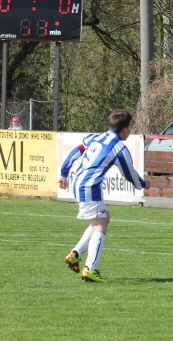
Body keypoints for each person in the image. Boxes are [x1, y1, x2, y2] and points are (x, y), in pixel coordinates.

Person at [58, 109, 148, 282]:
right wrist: (143, 184)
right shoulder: (119, 147)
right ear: (124, 129)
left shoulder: (95, 137)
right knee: (100, 226)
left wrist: (63, 173)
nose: (129, 131)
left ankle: (75, 254)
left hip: (77, 182)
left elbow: (75, 152)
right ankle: (90, 268)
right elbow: (129, 174)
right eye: (129, 128)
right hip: (90, 186)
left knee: (103, 218)